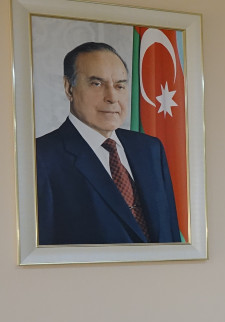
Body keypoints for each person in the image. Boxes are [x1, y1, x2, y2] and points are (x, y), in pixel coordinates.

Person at [35, 42, 181, 245]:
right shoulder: (40, 157)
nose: (112, 97)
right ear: (69, 88)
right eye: (97, 84)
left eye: (120, 86)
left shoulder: (150, 149)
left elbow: (171, 235)